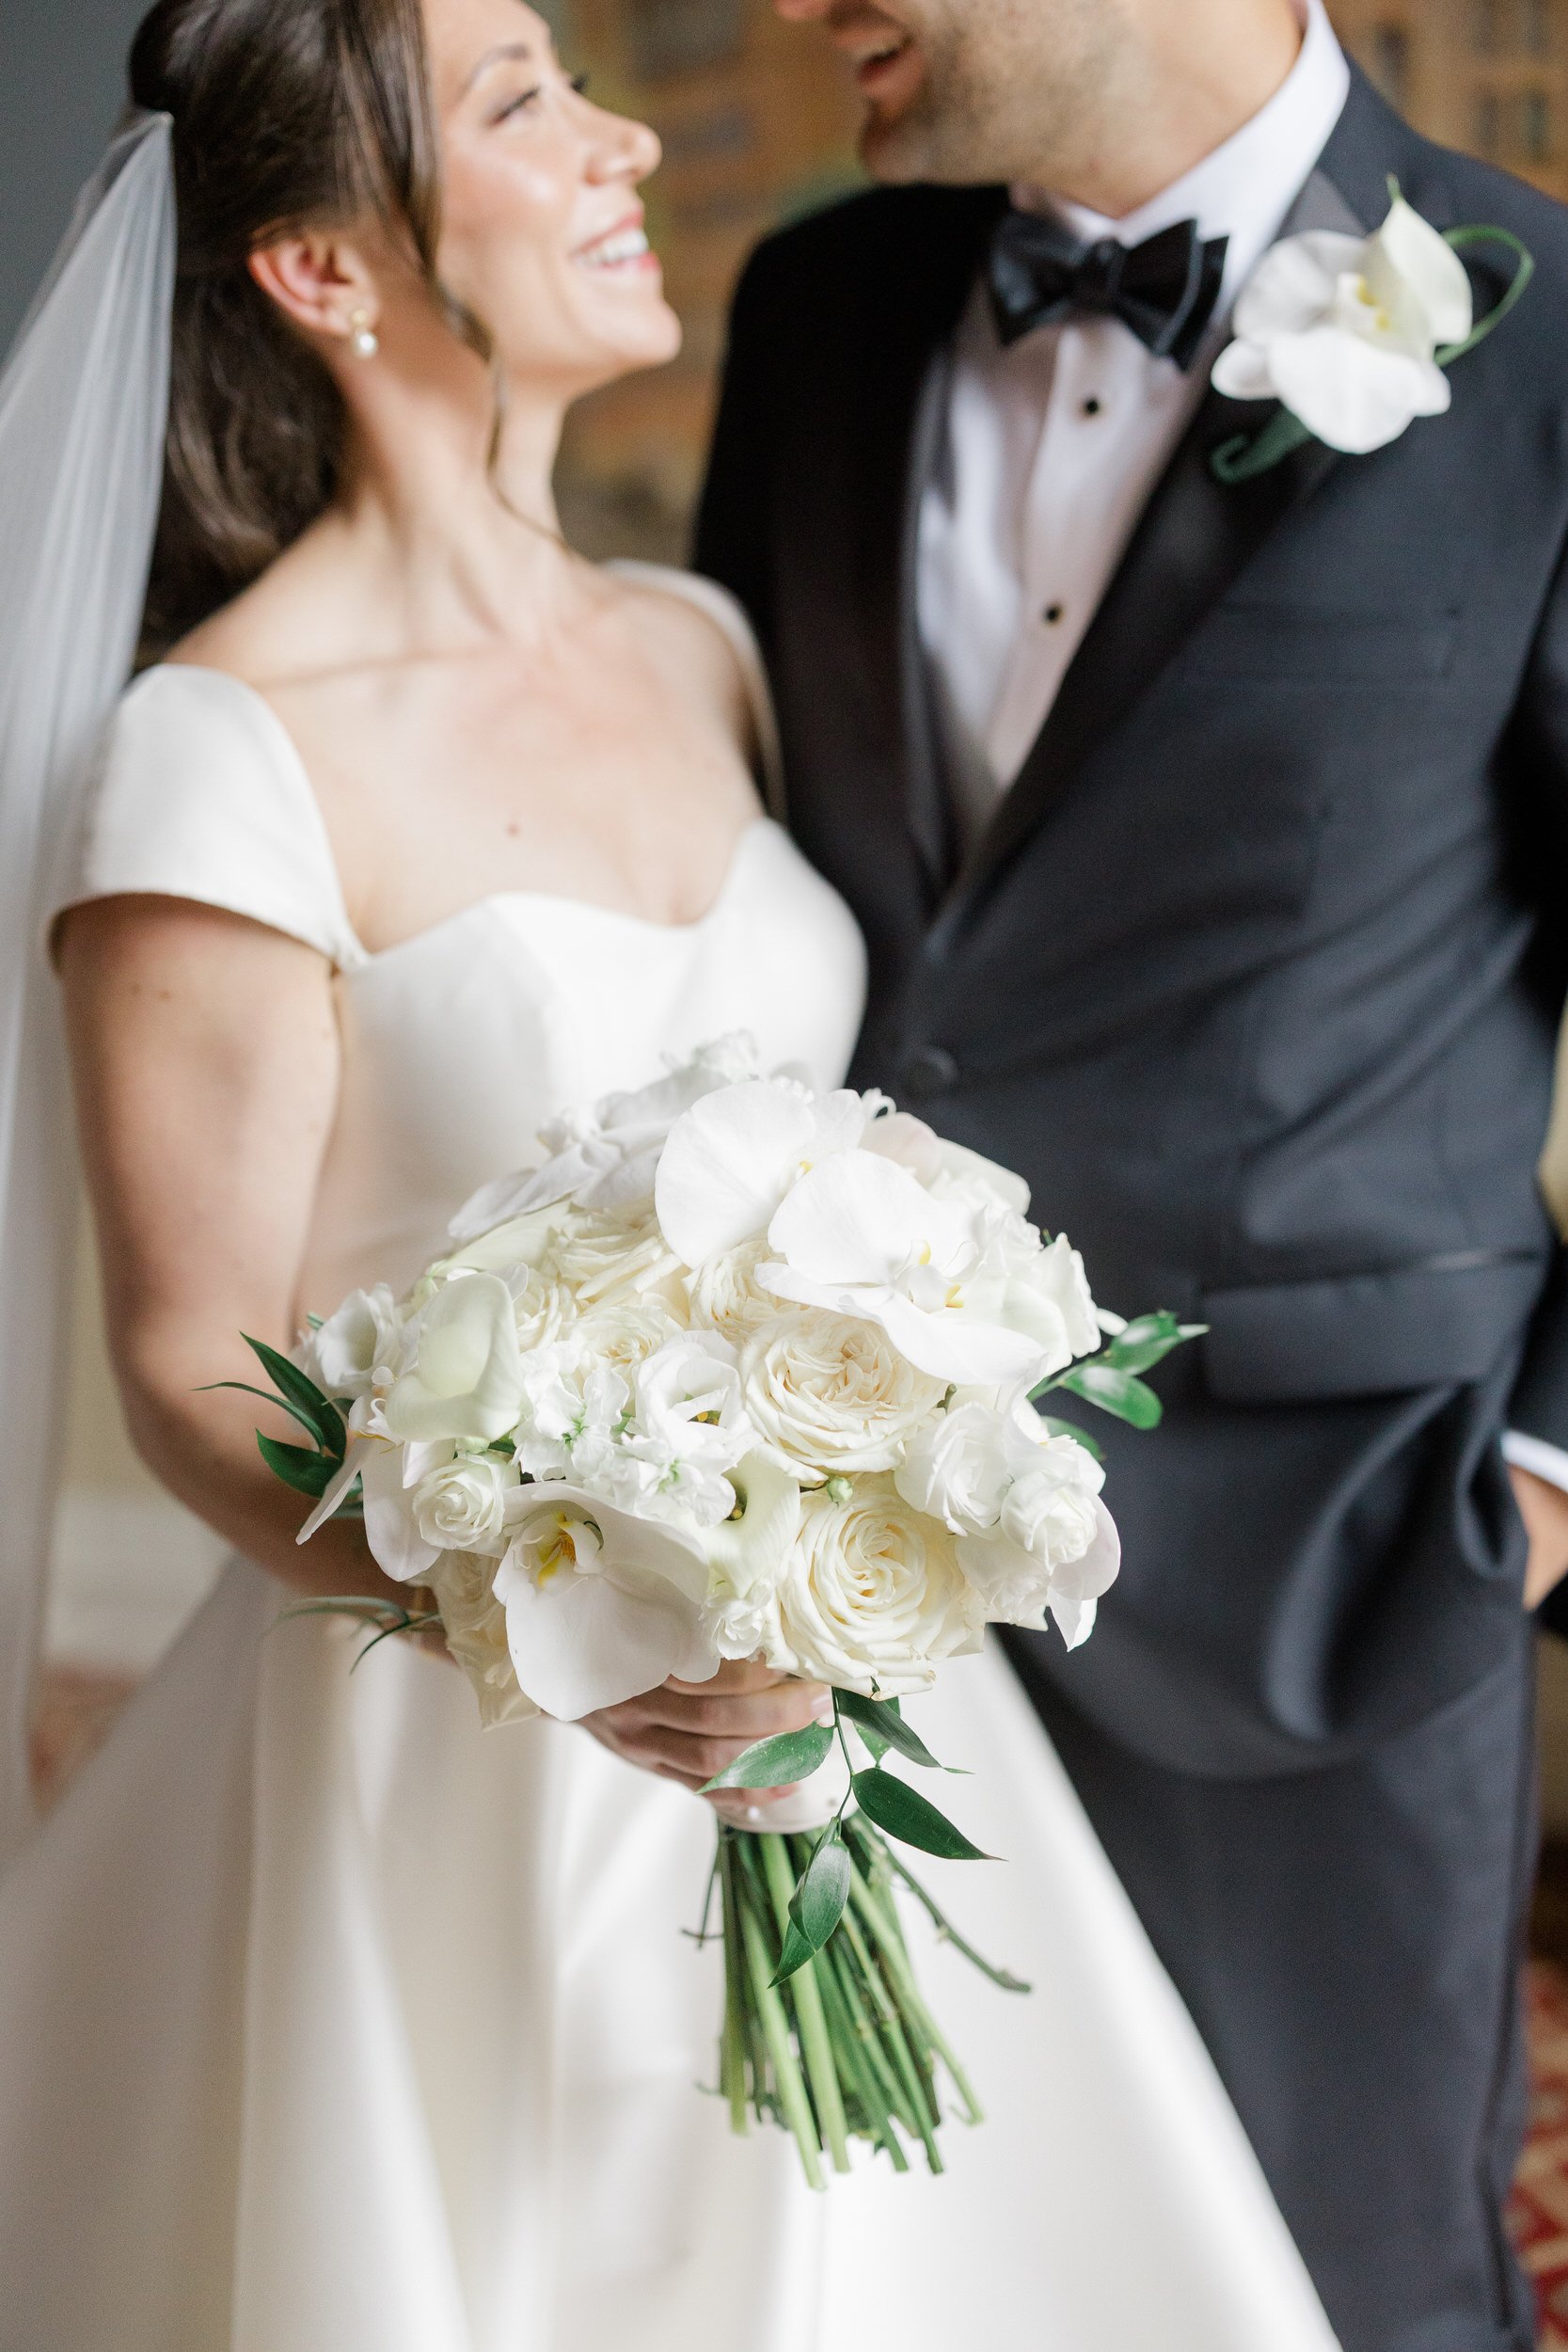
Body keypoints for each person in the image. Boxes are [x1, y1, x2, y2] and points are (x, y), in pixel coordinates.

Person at [0, 2, 1341, 2346]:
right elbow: (179, 1362)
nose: (623, 139)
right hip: (447, 1753)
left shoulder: (708, 645)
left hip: (828, 1697)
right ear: (326, 273)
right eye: (526, 102)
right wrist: (564, 1633)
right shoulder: (217, 753)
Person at [695, 1, 1568, 2346]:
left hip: (1335, 1559)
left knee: (1341, 2283)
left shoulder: (1550, 327)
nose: (790, 17)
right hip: (843, 1567)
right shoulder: (820, 308)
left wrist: (1543, 1473)